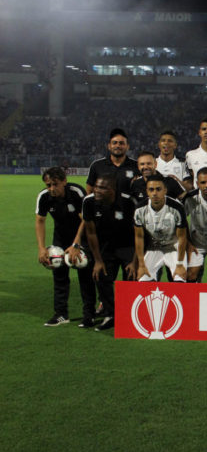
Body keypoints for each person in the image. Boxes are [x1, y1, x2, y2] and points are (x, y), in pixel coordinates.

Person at [35, 167, 95, 327]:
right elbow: (40, 221)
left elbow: (85, 220)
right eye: (48, 185)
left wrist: (76, 244)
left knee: (84, 274)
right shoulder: (44, 197)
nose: (51, 188)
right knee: (59, 275)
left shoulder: (76, 192)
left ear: (64, 181)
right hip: (60, 237)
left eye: (55, 184)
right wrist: (41, 248)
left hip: (82, 237)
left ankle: (89, 315)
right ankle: (61, 314)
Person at [82, 174, 137, 331]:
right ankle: (110, 315)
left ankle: (129, 315)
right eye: (96, 186)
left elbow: (139, 233)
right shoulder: (89, 202)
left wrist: (135, 261)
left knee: (131, 279)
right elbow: (91, 232)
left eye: (102, 188)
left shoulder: (129, 202)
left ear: (112, 190)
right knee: (101, 276)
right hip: (105, 247)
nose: (97, 190)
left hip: (127, 246)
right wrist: (98, 260)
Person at [134, 173, 189, 282]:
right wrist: (141, 265)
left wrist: (179, 264)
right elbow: (139, 237)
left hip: (173, 247)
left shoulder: (177, 208)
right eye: (151, 190)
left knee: (180, 279)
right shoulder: (139, 210)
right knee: (143, 279)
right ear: (147, 191)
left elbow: (182, 237)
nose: (155, 193)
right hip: (153, 248)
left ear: (165, 190)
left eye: (158, 189)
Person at [86, 128, 138, 196]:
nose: (118, 146)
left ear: (127, 147)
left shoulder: (136, 166)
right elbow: (89, 191)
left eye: (121, 143)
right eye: (114, 143)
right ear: (109, 146)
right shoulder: (97, 166)